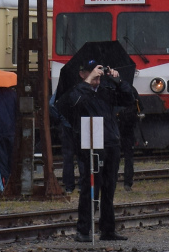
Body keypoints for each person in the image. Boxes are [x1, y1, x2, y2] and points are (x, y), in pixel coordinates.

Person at [60, 61, 138, 242]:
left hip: (111, 142)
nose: (98, 76)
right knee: (89, 187)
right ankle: (83, 230)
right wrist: (88, 82)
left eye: (100, 71)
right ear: (83, 74)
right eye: (93, 71)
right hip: (91, 144)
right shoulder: (78, 91)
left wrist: (118, 80)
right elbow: (73, 104)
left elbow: (129, 99)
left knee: (109, 188)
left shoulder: (107, 91)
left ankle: (108, 230)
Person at [53, 62, 79, 192]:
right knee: (82, 157)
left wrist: (60, 118)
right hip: (79, 127)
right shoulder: (81, 90)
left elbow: (52, 105)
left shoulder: (62, 90)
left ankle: (69, 185)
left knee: (68, 157)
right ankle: (82, 184)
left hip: (65, 126)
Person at [117, 93, 140, 189]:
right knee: (129, 157)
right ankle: (127, 182)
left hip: (115, 128)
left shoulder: (109, 88)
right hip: (128, 129)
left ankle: (111, 180)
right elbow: (140, 107)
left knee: (112, 157)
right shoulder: (130, 89)